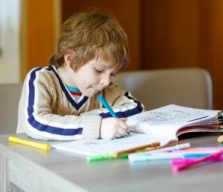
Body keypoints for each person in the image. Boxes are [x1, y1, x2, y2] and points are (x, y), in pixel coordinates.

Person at [16, 10, 144, 140]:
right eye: (99, 70)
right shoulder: (41, 79)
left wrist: (91, 118)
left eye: (112, 74)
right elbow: (35, 122)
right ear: (71, 59)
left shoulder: (103, 90)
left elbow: (136, 109)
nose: (106, 81)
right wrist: (97, 126)